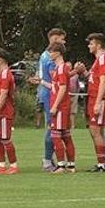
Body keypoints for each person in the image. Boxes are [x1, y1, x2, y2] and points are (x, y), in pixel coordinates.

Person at [28, 28, 67, 171]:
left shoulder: (43, 55)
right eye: (62, 39)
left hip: (45, 92)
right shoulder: (50, 58)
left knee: (54, 128)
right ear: (54, 39)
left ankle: (52, 160)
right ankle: (47, 160)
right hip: (50, 94)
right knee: (53, 129)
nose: (64, 42)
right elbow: (57, 80)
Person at [83, 33, 105, 172]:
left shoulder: (102, 60)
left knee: (95, 130)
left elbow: (103, 81)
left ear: (99, 45)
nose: (89, 46)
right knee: (96, 131)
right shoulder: (97, 61)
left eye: (91, 43)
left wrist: (98, 102)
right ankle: (102, 162)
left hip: (99, 100)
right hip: (93, 98)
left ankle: (102, 164)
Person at [47, 42, 76, 173]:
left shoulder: (61, 68)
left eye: (51, 51)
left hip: (61, 107)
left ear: (58, 53)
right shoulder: (60, 68)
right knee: (65, 135)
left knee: (56, 136)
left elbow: (63, 88)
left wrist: (55, 106)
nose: (49, 54)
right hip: (62, 106)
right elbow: (56, 87)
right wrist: (41, 82)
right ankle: (71, 165)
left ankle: (61, 165)